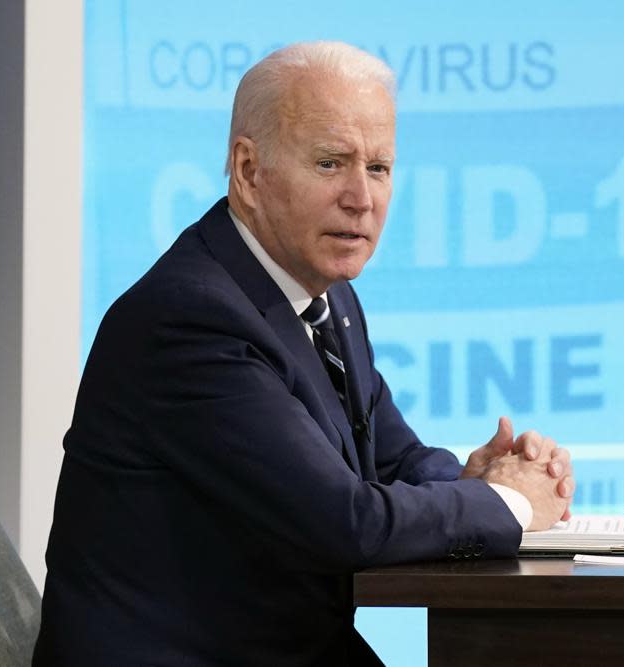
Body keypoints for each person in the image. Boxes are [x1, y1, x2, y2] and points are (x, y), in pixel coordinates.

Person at [32, 41, 574, 666]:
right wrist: (509, 503)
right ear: (248, 171)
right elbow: (347, 523)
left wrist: (475, 477)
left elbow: (389, 459)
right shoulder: (190, 321)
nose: (361, 199)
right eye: (330, 163)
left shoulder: (326, 296)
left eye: (379, 168)